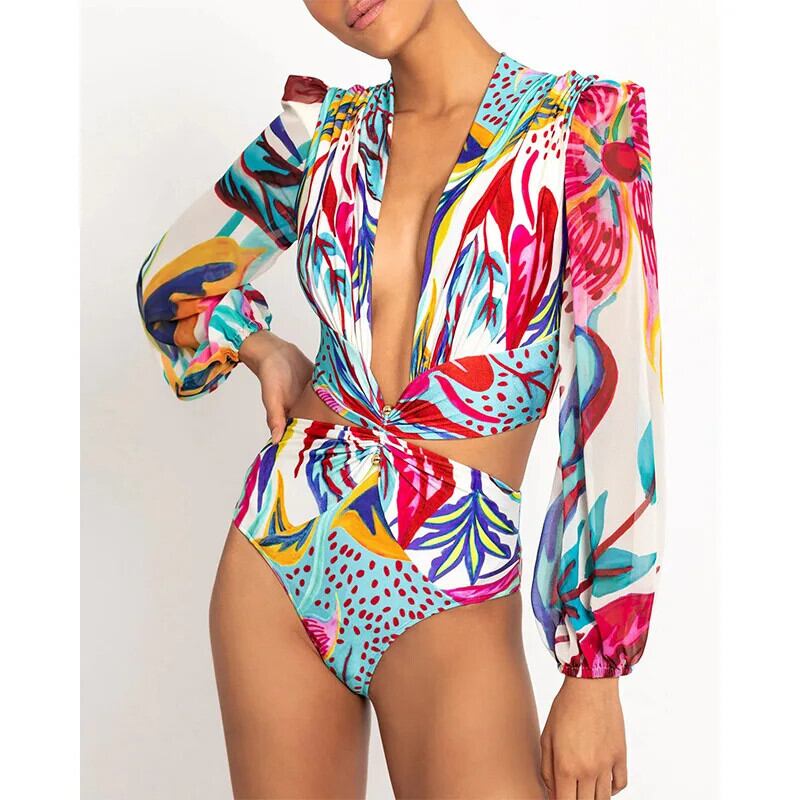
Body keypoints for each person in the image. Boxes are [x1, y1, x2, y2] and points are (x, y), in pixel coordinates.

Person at [135, 0, 665, 797]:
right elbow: (170, 282)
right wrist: (261, 346)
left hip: (451, 578)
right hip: (281, 555)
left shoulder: (582, 129)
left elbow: (617, 406)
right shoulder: (321, 134)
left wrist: (596, 674)